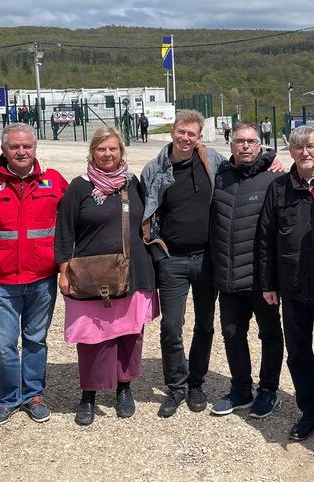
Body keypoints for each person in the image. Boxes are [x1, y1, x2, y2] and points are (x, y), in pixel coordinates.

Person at [55, 127, 159, 426]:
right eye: (101, 149)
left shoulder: (133, 183)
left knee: (129, 335)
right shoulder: (80, 187)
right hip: (93, 275)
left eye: (113, 148)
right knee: (92, 338)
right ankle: (88, 394)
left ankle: (124, 389)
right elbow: (64, 231)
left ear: (121, 151)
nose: (108, 154)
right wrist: (64, 270)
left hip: (134, 272)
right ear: (92, 152)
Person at [258, 125, 314, 440]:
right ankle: (309, 412)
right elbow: (266, 239)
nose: (305, 153)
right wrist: (268, 284)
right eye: (298, 147)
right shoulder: (279, 188)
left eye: (310, 146)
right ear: (291, 152)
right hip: (293, 287)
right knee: (298, 353)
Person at [0, 123, 69, 428]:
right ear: (4, 150)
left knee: (35, 340)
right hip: (1, 280)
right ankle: (7, 399)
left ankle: (33, 395)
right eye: (15, 147)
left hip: (42, 278)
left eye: (27, 146)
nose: (22, 152)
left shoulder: (53, 181)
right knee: (3, 344)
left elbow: (76, 215)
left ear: (35, 149)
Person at [139, 109, 227, 418]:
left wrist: (271, 161)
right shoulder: (155, 169)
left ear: (199, 137)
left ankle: (197, 383)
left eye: (192, 133)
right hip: (172, 260)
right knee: (171, 327)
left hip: (207, 259)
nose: (185, 138)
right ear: (172, 132)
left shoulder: (213, 161)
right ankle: (176, 386)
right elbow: (145, 216)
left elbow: (245, 169)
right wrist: (157, 253)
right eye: (181, 132)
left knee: (205, 324)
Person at [209, 121, 283, 418]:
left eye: (251, 141)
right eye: (240, 141)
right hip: (227, 277)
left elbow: (313, 167)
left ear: (260, 144)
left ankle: (268, 390)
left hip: (261, 278)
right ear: (231, 145)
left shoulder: (275, 177)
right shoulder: (221, 175)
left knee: (269, 333)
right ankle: (240, 388)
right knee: (231, 333)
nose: (246, 146)